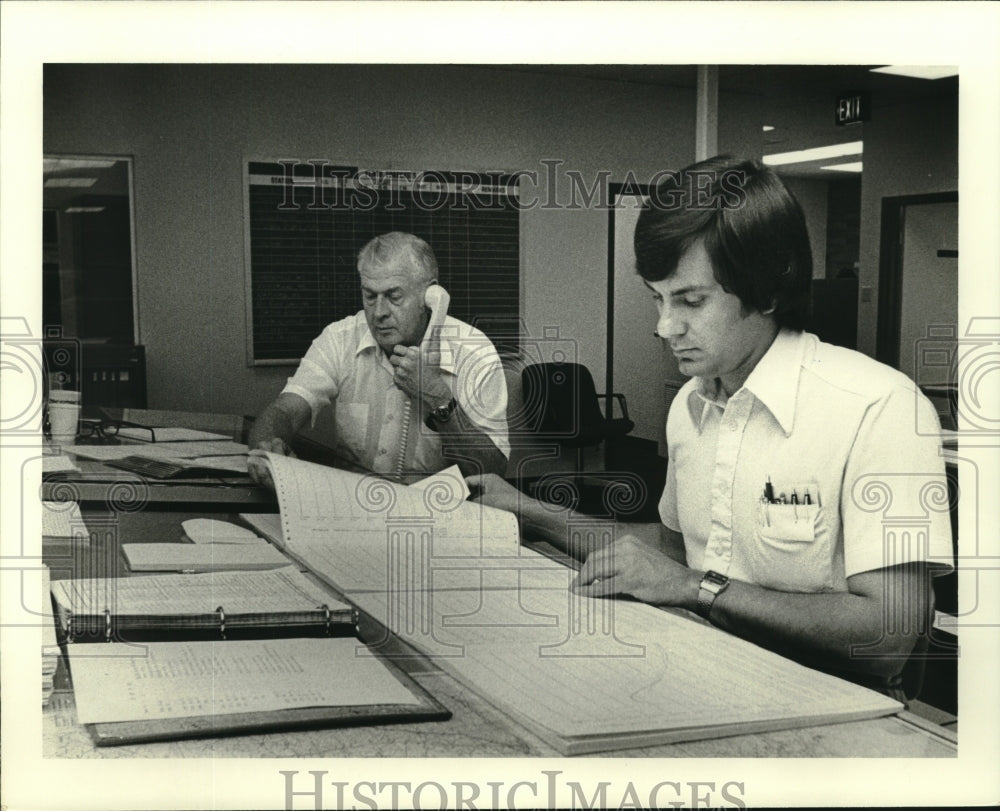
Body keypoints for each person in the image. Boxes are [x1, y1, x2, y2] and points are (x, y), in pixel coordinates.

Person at [468, 156, 953, 696]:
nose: (664, 326)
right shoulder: (692, 404)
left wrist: (697, 588)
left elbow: (888, 638)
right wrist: (526, 508)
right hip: (701, 673)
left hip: (825, 704)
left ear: (767, 291)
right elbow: (666, 560)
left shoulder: (879, 407)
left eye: (690, 301)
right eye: (657, 297)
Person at [249, 231, 509, 485]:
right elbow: (286, 411)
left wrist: (438, 397)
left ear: (431, 297)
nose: (379, 312)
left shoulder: (474, 352)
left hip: (442, 513)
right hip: (353, 507)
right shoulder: (340, 338)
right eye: (370, 296)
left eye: (394, 296)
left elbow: (492, 471)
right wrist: (269, 444)